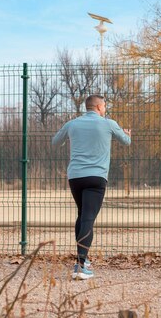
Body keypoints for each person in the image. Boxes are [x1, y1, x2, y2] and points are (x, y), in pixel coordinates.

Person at [52, 94, 131, 280]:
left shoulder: (72, 124)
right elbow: (126, 142)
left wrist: (70, 139)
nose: (105, 109)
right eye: (104, 106)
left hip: (75, 177)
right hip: (96, 177)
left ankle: (83, 259)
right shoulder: (108, 124)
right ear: (98, 107)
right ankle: (80, 265)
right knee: (88, 217)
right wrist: (127, 134)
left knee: (82, 214)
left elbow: (55, 141)